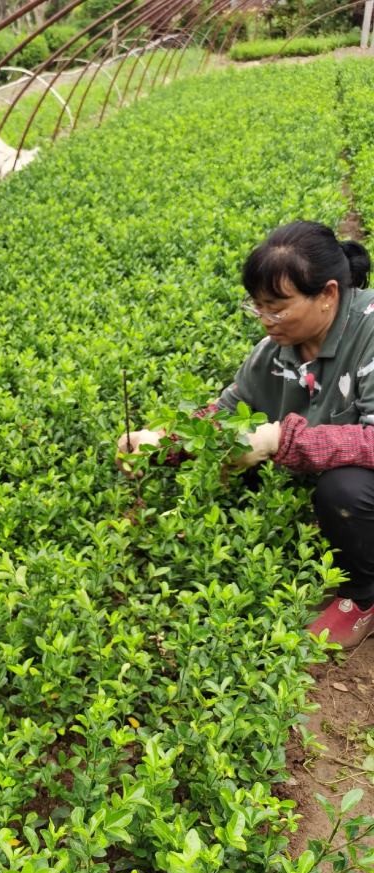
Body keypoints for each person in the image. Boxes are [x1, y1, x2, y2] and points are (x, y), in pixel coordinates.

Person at [118, 220, 374, 649]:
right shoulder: (276, 349)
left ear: (328, 294)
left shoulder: (369, 332)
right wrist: (163, 442)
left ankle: (363, 595)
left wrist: (280, 439)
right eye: (257, 307)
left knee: (344, 489)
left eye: (277, 307)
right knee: (245, 456)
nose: (266, 321)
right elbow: (229, 413)